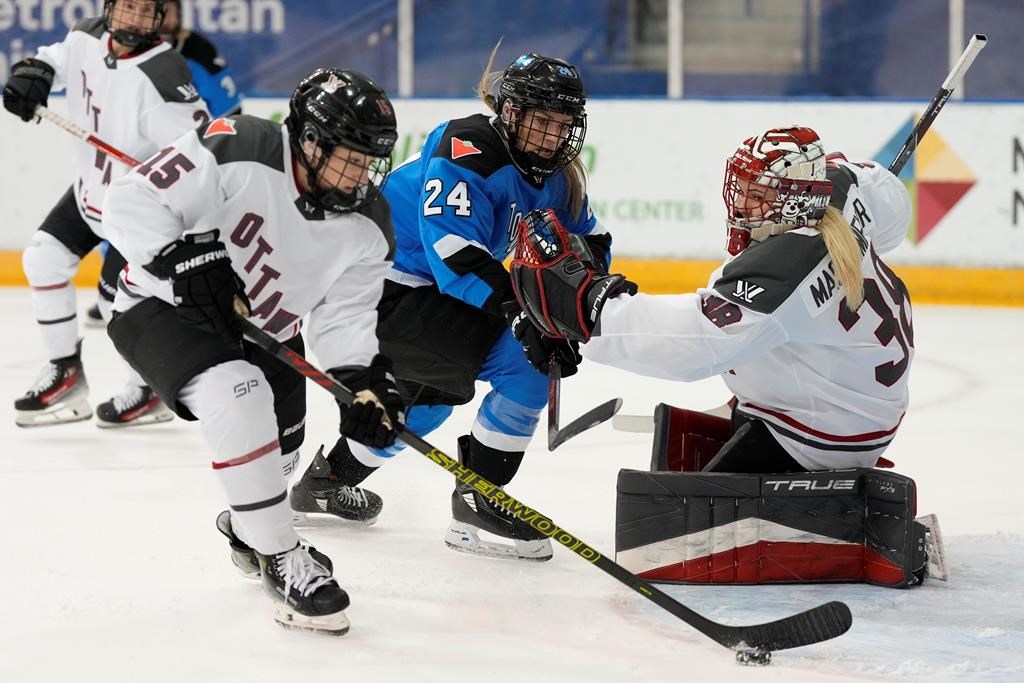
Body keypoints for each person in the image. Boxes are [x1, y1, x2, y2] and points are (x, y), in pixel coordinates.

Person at [101, 67, 403, 634]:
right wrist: (181, 261)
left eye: (370, 160)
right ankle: (283, 559)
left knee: (278, 462)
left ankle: (251, 528)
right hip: (164, 306)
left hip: (268, 331)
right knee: (238, 394)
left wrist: (359, 379)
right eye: (350, 156)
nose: (361, 173)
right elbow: (129, 200)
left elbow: (343, 316)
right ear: (310, 140)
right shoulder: (242, 144)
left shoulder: (370, 224)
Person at [289, 49, 613, 563]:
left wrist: (590, 300)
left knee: (425, 407)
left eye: (562, 124)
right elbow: (455, 254)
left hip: (421, 295)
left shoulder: (557, 175)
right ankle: (478, 502)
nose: (552, 136)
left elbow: (589, 239)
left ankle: (326, 482)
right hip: (377, 292)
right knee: (523, 361)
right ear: (510, 112)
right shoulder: (468, 148)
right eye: (541, 121)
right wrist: (523, 315)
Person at [511, 125, 914, 473]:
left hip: (822, 437)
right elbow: (891, 198)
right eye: (742, 187)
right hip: (859, 402)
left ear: (796, 199)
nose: (741, 202)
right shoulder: (845, 191)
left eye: (758, 193)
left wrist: (588, 309)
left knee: (673, 520)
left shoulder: (784, 267)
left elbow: (694, 342)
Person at [2, 0, 209, 428]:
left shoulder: (165, 73)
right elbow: (55, 59)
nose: (134, 19)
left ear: (160, 17)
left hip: (136, 210)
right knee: (42, 258)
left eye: (145, 11)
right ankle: (66, 374)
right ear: (110, 7)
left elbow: (200, 153)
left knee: (115, 302)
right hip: (89, 194)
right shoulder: (86, 34)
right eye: (127, 7)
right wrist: (34, 74)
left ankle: (148, 391)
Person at [83, 0, 243, 329]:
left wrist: (204, 153)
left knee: (186, 228)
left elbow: (229, 115)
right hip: (136, 160)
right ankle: (119, 286)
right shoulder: (115, 50)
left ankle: (174, 292)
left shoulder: (197, 51)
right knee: (118, 220)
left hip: (185, 161)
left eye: (164, 9)